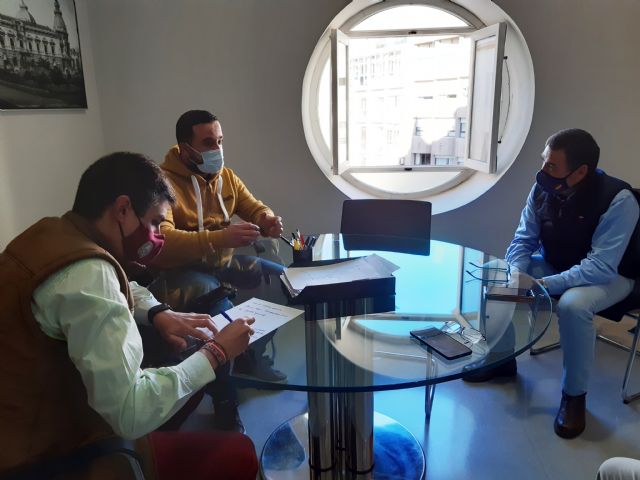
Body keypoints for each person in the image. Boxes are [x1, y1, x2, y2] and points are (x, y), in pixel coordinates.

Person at [0, 152, 258, 479]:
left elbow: (122, 285)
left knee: (184, 378)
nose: (157, 234)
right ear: (123, 210)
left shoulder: (52, 234)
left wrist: (158, 312)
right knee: (240, 453)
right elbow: (130, 413)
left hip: (19, 422)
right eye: (154, 222)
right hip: (47, 457)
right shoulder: (88, 274)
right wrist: (217, 352)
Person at [501, 128, 639, 439]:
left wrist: (541, 284)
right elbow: (523, 240)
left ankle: (574, 397)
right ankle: (501, 361)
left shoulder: (619, 200)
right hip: (560, 264)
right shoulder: (541, 189)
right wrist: (516, 274)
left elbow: (600, 267)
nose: (542, 170)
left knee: (573, 306)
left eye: (551, 166)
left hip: (613, 276)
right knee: (496, 275)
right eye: (543, 160)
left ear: (580, 172)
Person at [148, 110, 287, 405]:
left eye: (220, 141)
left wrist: (267, 219)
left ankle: (252, 355)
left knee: (281, 282)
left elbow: (254, 207)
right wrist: (220, 238)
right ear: (185, 149)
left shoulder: (227, 177)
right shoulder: (162, 184)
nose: (217, 150)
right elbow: (164, 240)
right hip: (181, 272)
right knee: (220, 308)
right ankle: (224, 396)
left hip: (221, 264)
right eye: (208, 143)